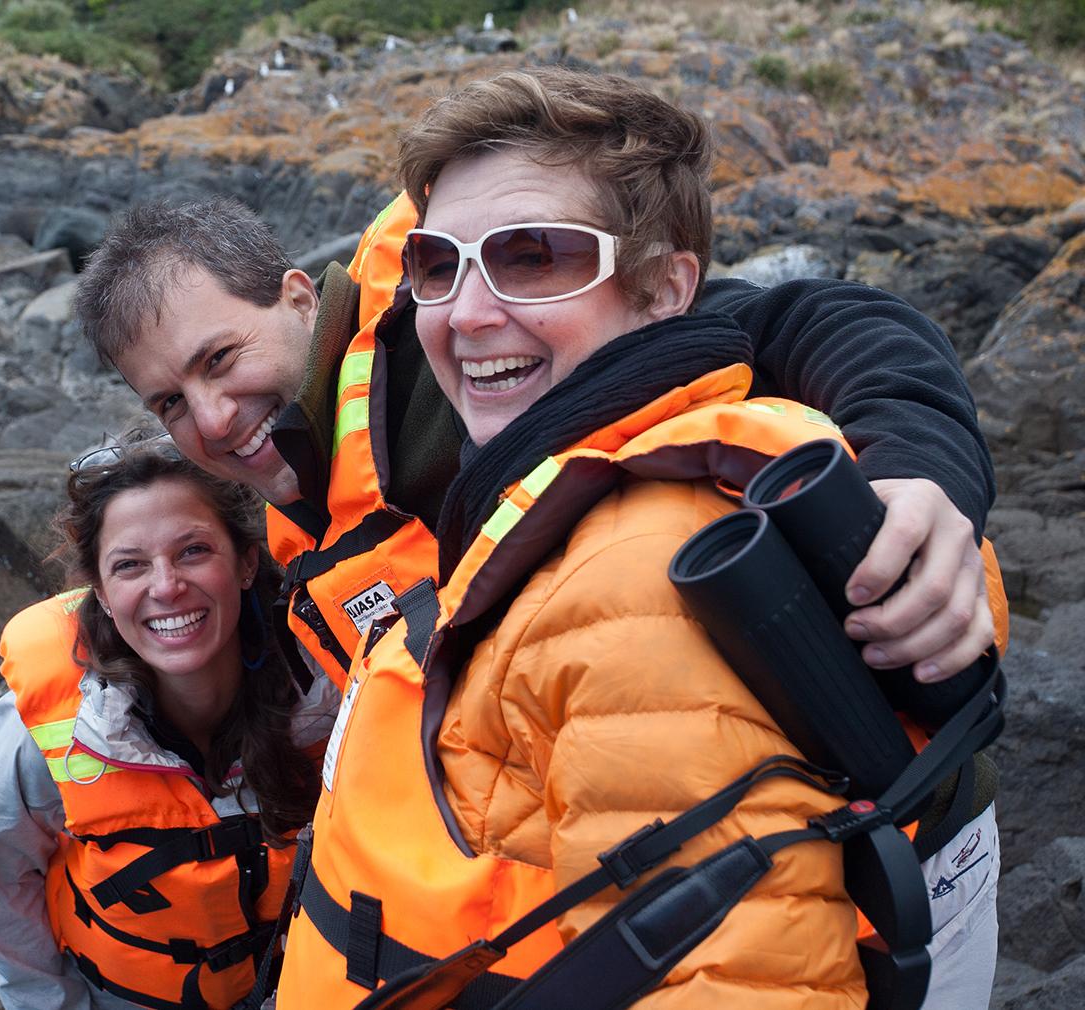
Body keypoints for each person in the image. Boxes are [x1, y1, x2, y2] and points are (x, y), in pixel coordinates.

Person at [273, 67, 1001, 1008]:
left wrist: (921, 462)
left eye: (536, 256)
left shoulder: (636, 581)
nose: (469, 310)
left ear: (664, 291)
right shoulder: (465, 396)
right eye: (437, 264)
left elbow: (731, 980)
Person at [73, 190, 1000, 698]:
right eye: (170, 403)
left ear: (298, 297)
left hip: (848, 843)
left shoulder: (458, 355)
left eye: (221, 359)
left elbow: (807, 322)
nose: (213, 420)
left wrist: (922, 474)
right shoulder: (282, 523)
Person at [0, 428, 321, 1010]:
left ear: (246, 563)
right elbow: (1, 890)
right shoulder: (48, 722)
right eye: (130, 565)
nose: (167, 587)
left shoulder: (325, 679)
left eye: (193, 551)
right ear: (102, 594)